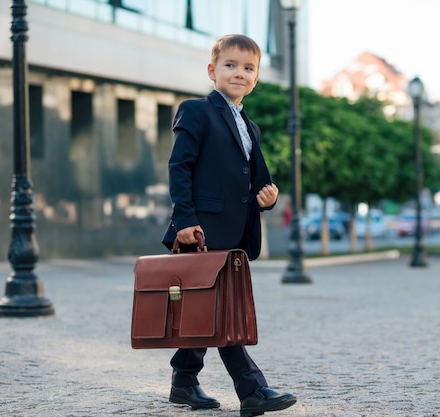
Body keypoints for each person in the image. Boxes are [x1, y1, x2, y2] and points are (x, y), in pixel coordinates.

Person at [161, 34, 297, 417]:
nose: (239, 73)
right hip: (201, 232)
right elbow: (179, 168)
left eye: (248, 68)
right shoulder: (196, 111)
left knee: (205, 310)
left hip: (234, 235)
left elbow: (257, 182)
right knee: (221, 311)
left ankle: (184, 381)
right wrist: (185, 219)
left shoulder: (250, 127)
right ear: (212, 71)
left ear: (255, 79)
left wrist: (265, 197)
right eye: (230, 65)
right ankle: (252, 390)